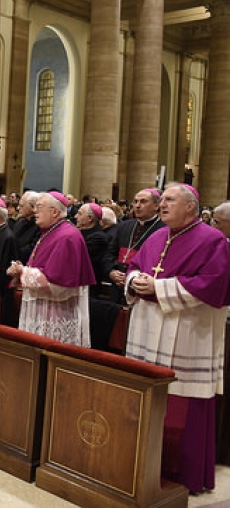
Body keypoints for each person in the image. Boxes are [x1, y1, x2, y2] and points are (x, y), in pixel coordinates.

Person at [125, 183, 230, 493]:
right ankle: (144, 466)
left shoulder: (213, 241)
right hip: (149, 328)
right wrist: (134, 280)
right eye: (163, 200)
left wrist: (158, 287)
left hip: (188, 334)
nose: (163, 204)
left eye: (170, 200)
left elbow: (212, 284)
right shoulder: (157, 236)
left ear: (190, 207)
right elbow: (134, 266)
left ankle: (185, 475)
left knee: (184, 401)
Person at [7, 191, 96, 346]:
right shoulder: (51, 232)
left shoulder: (67, 236)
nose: (35, 211)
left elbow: (57, 285)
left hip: (56, 313)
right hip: (42, 309)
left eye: (39, 207)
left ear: (54, 212)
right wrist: (20, 271)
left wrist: (23, 271)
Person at [103, 188, 165, 305]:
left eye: (143, 202)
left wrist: (132, 278)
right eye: (135, 201)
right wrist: (111, 271)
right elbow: (110, 252)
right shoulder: (124, 226)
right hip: (117, 285)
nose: (137, 206)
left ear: (156, 206)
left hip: (141, 287)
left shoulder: (164, 230)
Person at [11, 191, 41, 263]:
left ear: (33, 207)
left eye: (22, 206)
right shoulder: (19, 221)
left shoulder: (40, 225)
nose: (18, 208)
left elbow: (32, 250)